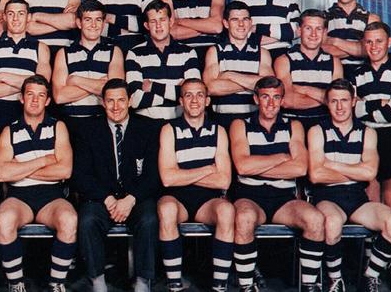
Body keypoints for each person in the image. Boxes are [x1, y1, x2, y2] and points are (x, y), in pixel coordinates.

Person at [308, 78, 391, 292]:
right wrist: (355, 171)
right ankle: (336, 279)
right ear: (327, 103)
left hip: (357, 199)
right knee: (332, 222)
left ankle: (369, 277)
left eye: (344, 100)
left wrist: (332, 164)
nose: (340, 107)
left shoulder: (367, 132)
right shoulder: (317, 130)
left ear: (353, 101)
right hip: (327, 197)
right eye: (334, 101)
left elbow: (370, 173)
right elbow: (315, 175)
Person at [229, 76, 324, 292]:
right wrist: (282, 156)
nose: (271, 103)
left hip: (284, 201)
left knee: (315, 219)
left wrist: (259, 167)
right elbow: (242, 167)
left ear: (282, 100)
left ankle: (309, 286)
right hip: (250, 198)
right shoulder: (240, 125)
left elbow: (300, 168)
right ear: (255, 99)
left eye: (276, 98)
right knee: (243, 218)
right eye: (265, 97)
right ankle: (246, 286)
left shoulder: (294, 126)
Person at [72, 78, 160, 292]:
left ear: (130, 101)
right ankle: (98, 281)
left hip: (136, 197)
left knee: (149, 219)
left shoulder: (149, 128)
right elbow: (80, 175)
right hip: (103, 198)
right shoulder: (87, 130)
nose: (116, 107)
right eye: (110, 101)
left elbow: (154, 175)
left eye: (121, 100)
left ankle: (142, 281)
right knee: (87, 220)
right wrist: (108, 199)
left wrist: (130, 199)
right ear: (102, 102)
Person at [0, 75, 77, 292]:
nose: (34, 100)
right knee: (4, 219)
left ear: (48, 100)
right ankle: (16, 284)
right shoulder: (9, 131)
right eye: (30, 94)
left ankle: (56, 284)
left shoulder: (58, 127)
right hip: (18, 197)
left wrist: (21, 169)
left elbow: (65, 170)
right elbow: (2, 173)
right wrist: (43, 161)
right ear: (21, 98)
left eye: (41, 96)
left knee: (69, 219)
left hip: (52, 197)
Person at [352, 22, 391, 291]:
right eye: (368, 42)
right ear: (364, 44)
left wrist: (367, 106)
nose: (374, 47)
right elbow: (351, 112)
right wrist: (381, 104)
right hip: (366, 140)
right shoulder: (356, 73)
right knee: (373, 205)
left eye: (379, 41)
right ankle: (371, 269)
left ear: (389, 42)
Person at [157, 78, 234, 292]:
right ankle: (174, 284)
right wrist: (208, 169)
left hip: (207, 201)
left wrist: (183, 173)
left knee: (227, 210)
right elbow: (168, 179)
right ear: (181, 101)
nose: (194, 100)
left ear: (207, 100)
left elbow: (224, 180)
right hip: (176, 197)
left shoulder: (218, 131)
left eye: (200, 95)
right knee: (166, 208)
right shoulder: (169, 129)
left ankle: (220, 285)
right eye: (188, 95)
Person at [0, 0, 52, 132]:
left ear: (28, 17)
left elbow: (41, 86)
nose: (16, 18)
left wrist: (2, 76)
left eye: (21, 14)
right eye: (11, 14)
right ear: (4, 17)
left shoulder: (41, 48)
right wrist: (27, 87)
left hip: (27, 113)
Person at [125, 0, 200, 129]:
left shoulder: (189, 53)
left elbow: (194, 95)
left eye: (162, 20)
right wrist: (177, 94)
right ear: (147, 25)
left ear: (171, 22)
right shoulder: (134, 54)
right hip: (144, 124)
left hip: (179, 125)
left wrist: (153, 86)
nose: (158, 25)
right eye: (153, 21)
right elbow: (135, 100)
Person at [52, 0, 125, 133]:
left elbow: (114, 92)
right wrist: (99, 85)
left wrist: (76, 80)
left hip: (103, 124)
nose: (93, 25)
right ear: (79, 23)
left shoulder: (114, 52)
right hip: (71, 124)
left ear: (103, 23)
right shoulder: (64, 54)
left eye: (98, 20)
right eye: (88, 20)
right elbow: (59, 96)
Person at [203, 1, 273, 129]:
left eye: (245, 19)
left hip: (253, 122)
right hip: (221, 122)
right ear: (226, 23)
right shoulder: (215, 51)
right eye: (235, 20)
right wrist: (252, 83)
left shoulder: (262, 53)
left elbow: (268, 86)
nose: (241, 24)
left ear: (251, 23)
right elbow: (211, 87)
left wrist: (229, 75)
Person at [274, 9, 343, 131]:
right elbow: (288, 101)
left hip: (325, 130)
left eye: (318, 29)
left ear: (325, 32)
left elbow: (339, 102)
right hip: (290, 130)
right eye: (308, 28)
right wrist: (327, 99)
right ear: (299, 30)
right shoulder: (284, 61)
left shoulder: (334, 63)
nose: (313, 34)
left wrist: (304, 90)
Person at [323, 0, 380, 79]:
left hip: (364, 79)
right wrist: (359, 47)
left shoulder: (371, 19)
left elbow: (371, 50)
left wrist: (334, 41)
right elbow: (320, 50)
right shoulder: (323, 17)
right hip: (332, 79)